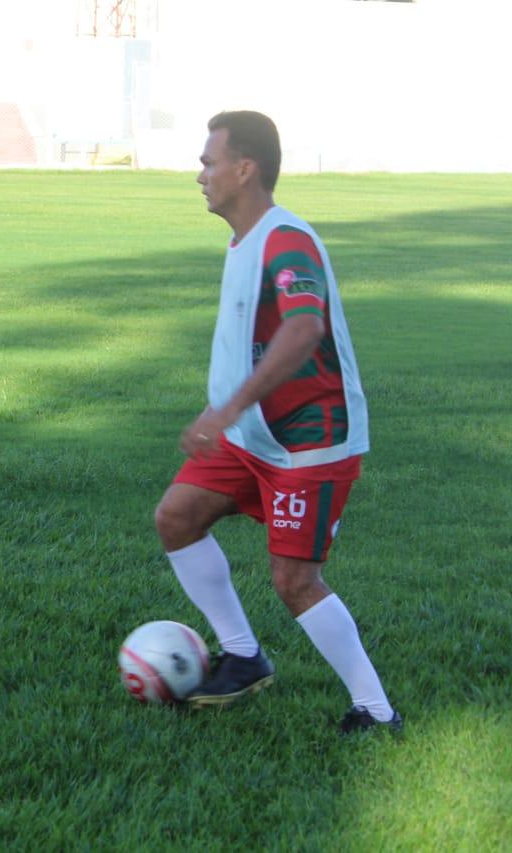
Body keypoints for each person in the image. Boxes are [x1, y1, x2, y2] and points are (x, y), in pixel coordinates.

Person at [154, 110, 401, 734]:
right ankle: (242, 655)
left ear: (246, 168)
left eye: (209, 162)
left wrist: (228, 406)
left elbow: (304, 327)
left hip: (309, 441)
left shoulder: (286, 239)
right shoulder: (243, 239)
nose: (200, 174)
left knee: (294, 580)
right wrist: (232, 415)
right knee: (177, 517)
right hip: (249, 436)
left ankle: (376, 711)